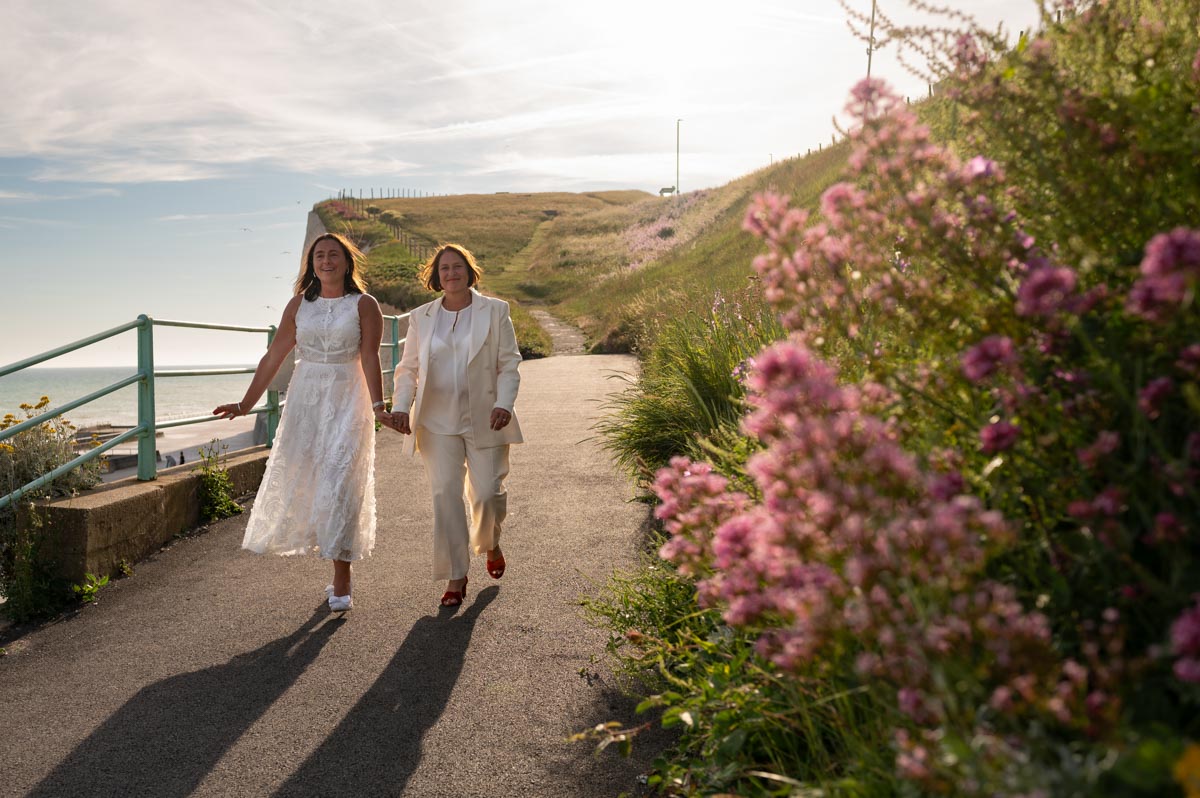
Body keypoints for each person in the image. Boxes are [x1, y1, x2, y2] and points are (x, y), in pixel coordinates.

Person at [213, 233, 386, 613]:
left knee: (342, 482)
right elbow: (274, 356)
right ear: (311, 264)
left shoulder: (364, 305)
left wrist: (379, 405)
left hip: (348, 398)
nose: (326, 260)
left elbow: (370, 357)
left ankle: (342, 576)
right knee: (310, 480)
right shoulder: (298, 306)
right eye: (319, 255)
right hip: (306, 401)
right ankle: (326, 551)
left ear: (346, 261)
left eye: (333, 255)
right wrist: (245, 404)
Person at [382, 243, 522, 607]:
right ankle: (455, 575)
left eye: (457, 266)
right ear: (436, 275)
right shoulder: (422, 316)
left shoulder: (495, 311)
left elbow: (509, 363)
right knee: (445, 495)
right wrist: (400, 407)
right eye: (444, 268)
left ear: (469, 270)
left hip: (487, 418)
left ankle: (490, 542)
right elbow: (408, 369)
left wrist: (504, 403)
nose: (451, 273)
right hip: (436, 421)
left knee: (488, 495)